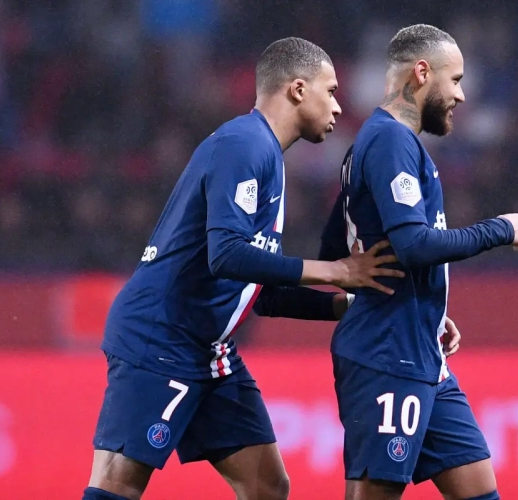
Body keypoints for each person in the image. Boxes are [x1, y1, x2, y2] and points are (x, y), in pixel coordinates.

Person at [83, 37, 404, 500]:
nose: (339, 105)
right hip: (160, 338)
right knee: (118, 482)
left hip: (210, 352)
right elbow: (227, 255)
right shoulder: (243, 145)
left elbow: (262, 289)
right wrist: (335, 270)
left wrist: (353, 305)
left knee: (267, 486)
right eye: (330, 91)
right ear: (297, 89)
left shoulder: (268, 157)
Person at [318, 25, 518, 500]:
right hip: (386, 356)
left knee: (478, 490)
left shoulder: (373, 145)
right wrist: (499, 228)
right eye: (454, 80)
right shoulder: (390, 140)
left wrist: (422, 304)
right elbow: (413, 245)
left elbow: (339, 244)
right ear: (421, 73)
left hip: (422, 350)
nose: (461, 94)